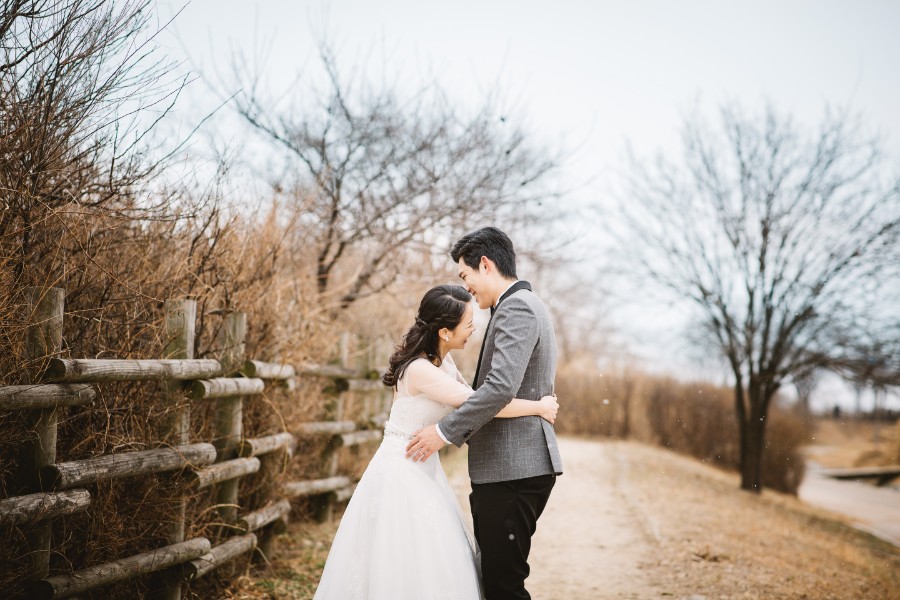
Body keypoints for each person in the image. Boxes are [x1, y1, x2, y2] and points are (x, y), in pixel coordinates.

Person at [313, 284, 558, 599]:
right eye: (468, 323)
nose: (473, 329)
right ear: (445, 332)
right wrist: (539, 406)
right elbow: (483, 404)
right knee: (402, 558)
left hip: (423, 467)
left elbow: (481, 400)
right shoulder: (419, 370)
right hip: (402, 472)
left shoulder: (443, 363)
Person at [406, 227, 563, 599]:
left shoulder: (518, 308)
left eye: (466, 276)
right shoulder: (516, 306)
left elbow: (499, 388)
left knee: (503, 586)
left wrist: (444, 432)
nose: (467, 286)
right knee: (498, 580)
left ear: (486, 264)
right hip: (512, 466)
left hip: (514, 468)